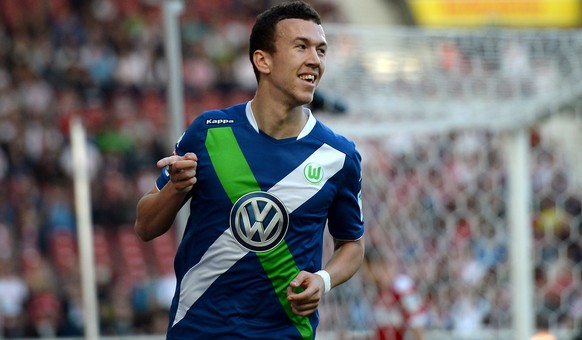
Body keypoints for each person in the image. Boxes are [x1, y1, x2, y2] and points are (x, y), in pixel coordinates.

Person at [133, 1, 365, 339]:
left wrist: (323, 279)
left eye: (321, 50)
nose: (315, 59)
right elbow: (144, 225)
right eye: (301, 46)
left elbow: (353, 245)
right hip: (199, 330)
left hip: (283, 333)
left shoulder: (338, 155)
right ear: (263, 60)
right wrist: (176, 188)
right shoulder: (210, 132)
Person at [364, 247, 428, 340]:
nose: (364, 275)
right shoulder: (378, 291)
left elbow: (416, 324)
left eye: (366, 269)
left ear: (376, 266)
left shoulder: (402, 286)